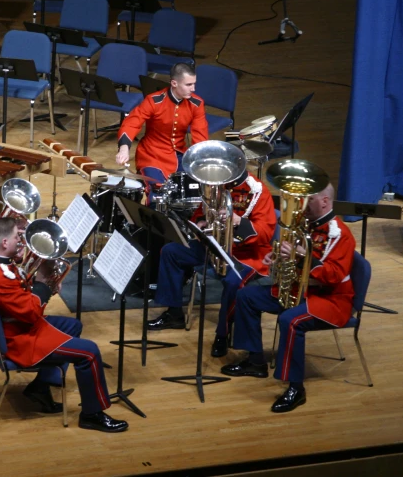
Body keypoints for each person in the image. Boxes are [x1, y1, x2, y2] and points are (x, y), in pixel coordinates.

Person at [0, 218, 129, 433]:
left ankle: (40, 388)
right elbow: (30, 313)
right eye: (16, 237)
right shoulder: (0, 277)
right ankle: (92, 414)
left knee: (72, 326)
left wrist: (44, 280)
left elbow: (18, 295)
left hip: (17, 326)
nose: (21, 240)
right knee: (89, 352)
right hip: (20, 340)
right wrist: (43, 284)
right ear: (4, 242)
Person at [222, 184, 356, 413]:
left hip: (329, 300)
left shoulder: (340, 234)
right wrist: (279, 256)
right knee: (246, 296)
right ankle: (255, 361)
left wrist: (302, 256)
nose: (302, 204)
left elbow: (333, 276)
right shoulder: (306, 225)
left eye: (309, 199)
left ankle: (296, 388)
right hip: (301, 290)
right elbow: (293, 259)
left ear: (324, 201)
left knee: (290, 321)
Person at [147, 170, 277, 358]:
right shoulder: (217, 185)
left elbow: (266, 233)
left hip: (246, 254)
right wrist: (200, 223)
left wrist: (239, 221)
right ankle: (174, 312)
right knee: (172, 251)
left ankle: (222, 334)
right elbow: (201, 212)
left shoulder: (257, 191)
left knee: (233, 282)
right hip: (214, 246)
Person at [115, 62, 209, 199]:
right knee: (157, 194)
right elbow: (132, 123)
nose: (193, 89)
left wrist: (200, 162)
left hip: (179, 155)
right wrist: (124, 148)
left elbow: (200, 135)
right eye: (188, 85)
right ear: (174, 83)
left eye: (194, 84)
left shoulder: (197, 103)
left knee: (191, 191)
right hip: (151, 155)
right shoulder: (154, 101)